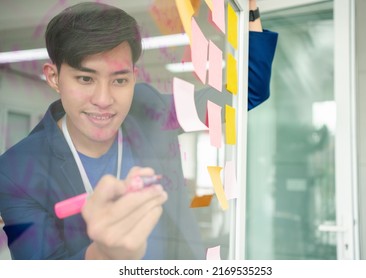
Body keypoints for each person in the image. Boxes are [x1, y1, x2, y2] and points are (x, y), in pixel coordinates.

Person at [0, 1, 277, 259]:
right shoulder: (15, 170)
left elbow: (245, 92)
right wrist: (104, 254)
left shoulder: (148, 109)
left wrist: (248, 8)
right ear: (53, 77)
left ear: (133, 76)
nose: (104, 99)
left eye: (119, 80)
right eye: (85, 78)